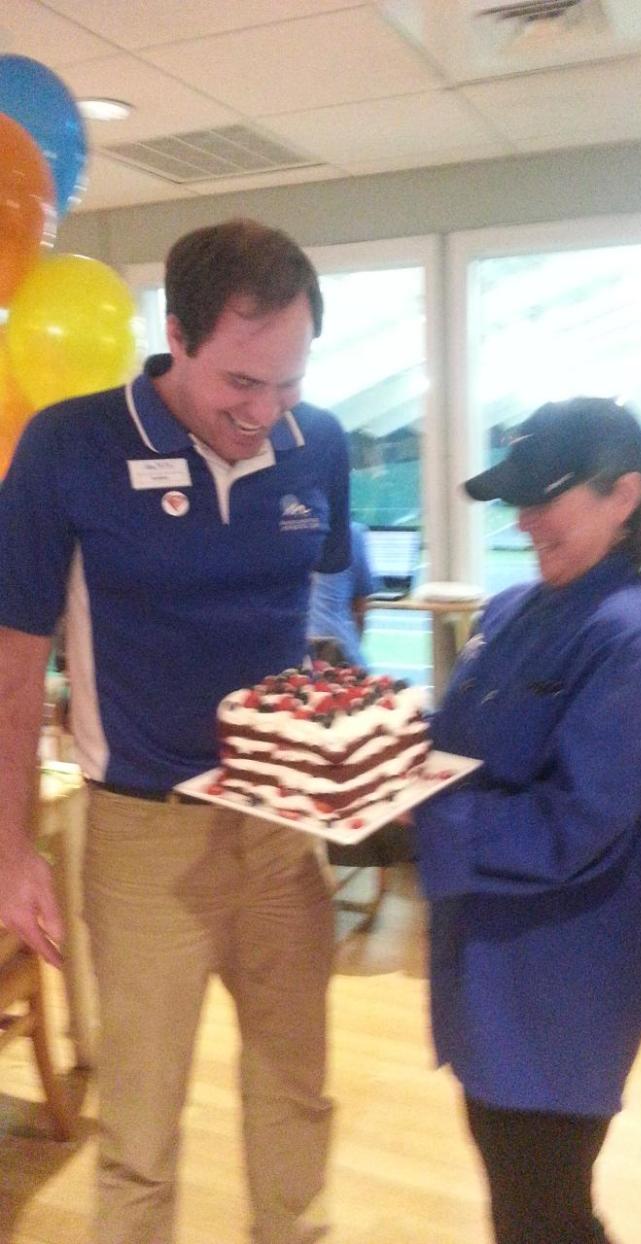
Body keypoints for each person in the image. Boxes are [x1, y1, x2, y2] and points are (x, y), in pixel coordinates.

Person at [0, 218, 350, 1244]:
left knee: (296, 1093)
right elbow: (14, 667)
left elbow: (327, 598)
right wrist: (12, 845)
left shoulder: (319, 441)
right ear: (177, 337)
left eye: (288, 381)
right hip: (144, 834)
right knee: (140, 1134)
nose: (265, 411)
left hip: (282, 825)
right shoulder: (70, 446)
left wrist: (344, 718)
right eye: (241, 381)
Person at [412, 397, 641, 1244]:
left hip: (564, 984)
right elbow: (456, 745)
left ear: (624, 496)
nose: (526, 520)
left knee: (544, 1211)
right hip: (485, 962)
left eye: (547, 498)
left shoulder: (635, 647)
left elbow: (574, 825)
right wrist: (371, 760)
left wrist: (417, 826)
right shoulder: (510, 611)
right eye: (518, 500)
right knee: (518, 1192)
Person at [307, 519, 375, 666]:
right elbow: (360, 609)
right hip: (341, 650)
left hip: (294, 652)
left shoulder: (283, 533)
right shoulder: (352, 533)